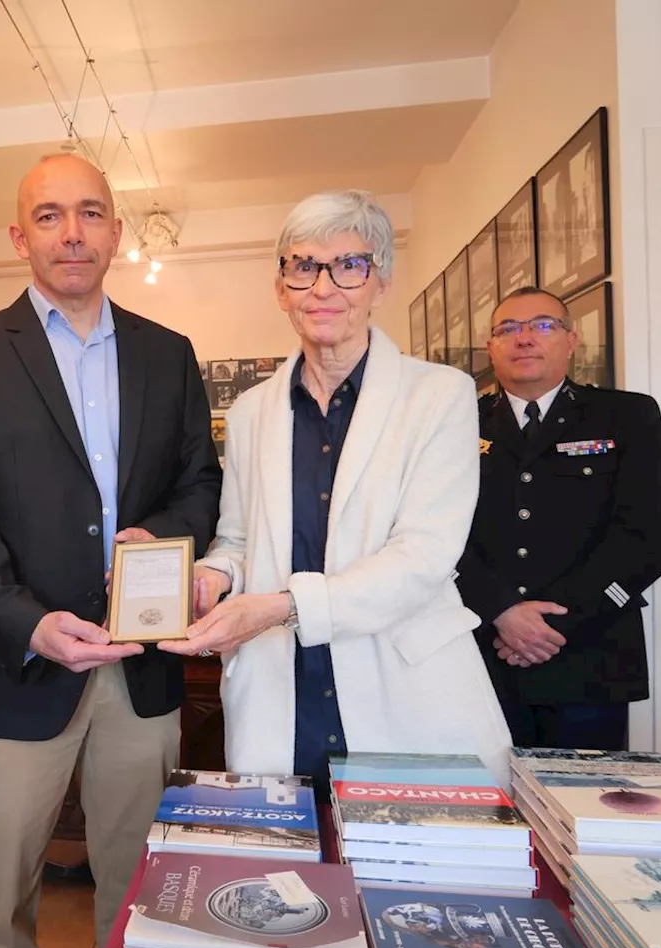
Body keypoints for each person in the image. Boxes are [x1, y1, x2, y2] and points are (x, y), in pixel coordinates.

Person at [0, 153, 222, 948]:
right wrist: (28, 622)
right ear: (20, 238)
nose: (72, 233)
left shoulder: (169, 352)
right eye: (49, 216)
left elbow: (201, 483)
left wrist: (161, 535)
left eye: (90, 213)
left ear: (117, 231)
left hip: (141, 666)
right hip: (19, 666)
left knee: (141, 892)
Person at [158, 190, 513, 789]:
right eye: (303, 266)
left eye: (349, 265)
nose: (323, 288)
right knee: (288, 875)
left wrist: (282, 606)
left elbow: (424, 556)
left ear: (381, 281)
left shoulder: (440, 396)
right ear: (281, 286)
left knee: (411, 873)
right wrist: (214, 576)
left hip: (404, 685)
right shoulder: (250, 412)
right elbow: (239, 537)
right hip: (281, 687)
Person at [456, 286, 661, 750]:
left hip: (590, 655)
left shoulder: (627, 415)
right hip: (483, 654)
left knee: (582, 813)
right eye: (507, 329)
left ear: (572, 340)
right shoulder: (456, 424)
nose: (524, 338)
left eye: (542, 325)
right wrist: (501, 612)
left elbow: (646, 540)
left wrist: (550, 625)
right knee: (491, 811)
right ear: (491, 347)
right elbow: (439, 536)